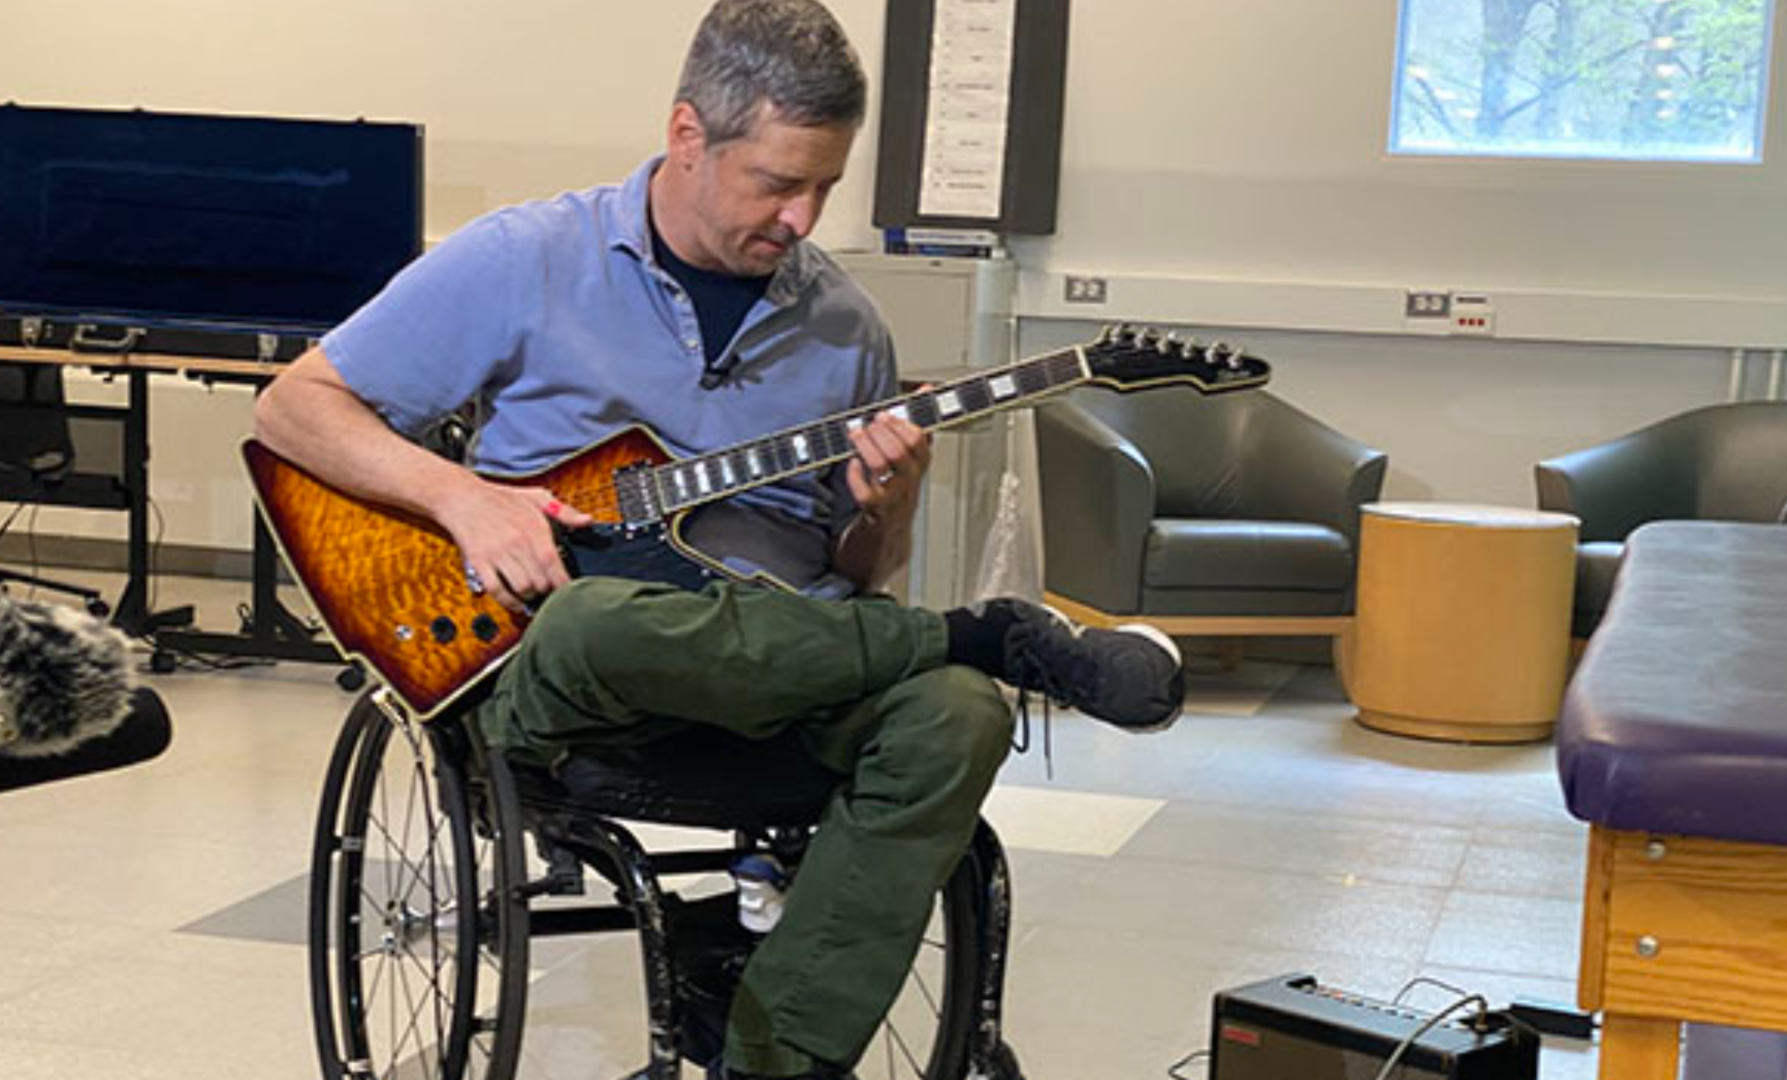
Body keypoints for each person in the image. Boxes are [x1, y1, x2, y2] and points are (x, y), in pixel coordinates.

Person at [253, 1, 1183, 1076]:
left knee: (956, 714)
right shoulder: (528, 257)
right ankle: (993, 634)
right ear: (688, 135)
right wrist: (467, 500)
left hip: (792, 675)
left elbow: (858, 572)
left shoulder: (847, 326)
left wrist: (886, 506)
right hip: (583, 676)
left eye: (826, 187)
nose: (803, 218)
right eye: (778, 183)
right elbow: (295, 407)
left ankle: (771, 1054)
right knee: (600, 624)